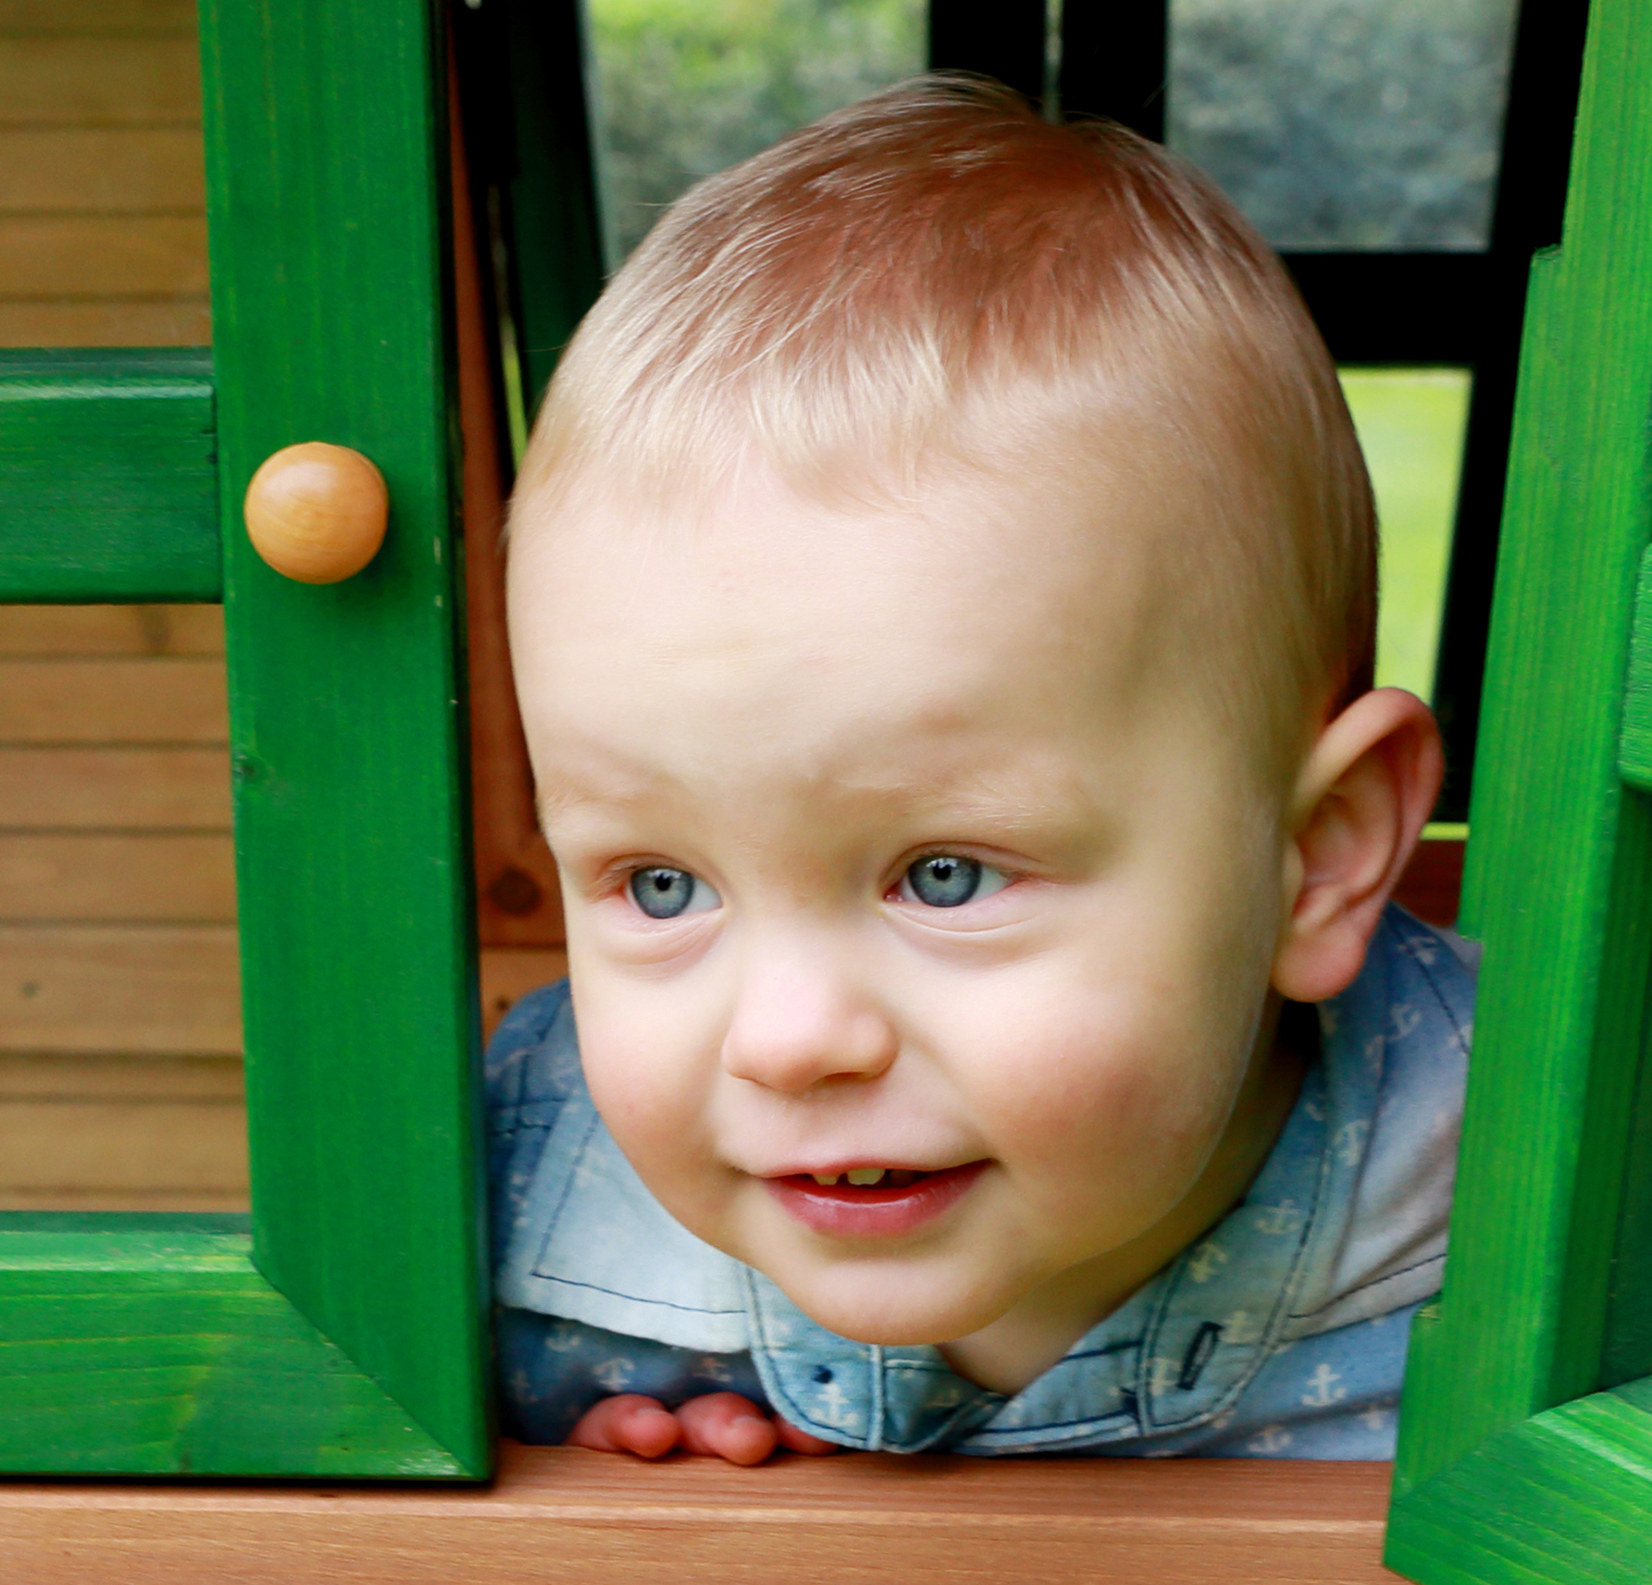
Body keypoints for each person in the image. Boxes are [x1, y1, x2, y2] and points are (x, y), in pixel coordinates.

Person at [489, 74, 1469, 1461]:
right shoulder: (505, 1177)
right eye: (659, 886)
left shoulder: (1544, 1195)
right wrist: (557, 1482)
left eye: (942, 876)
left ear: (1315, 859)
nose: (787, 1040)